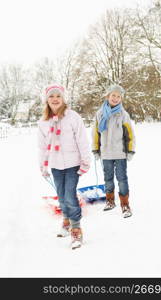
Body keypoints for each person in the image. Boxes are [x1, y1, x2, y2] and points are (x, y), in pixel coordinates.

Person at [38, 84, 91, 249]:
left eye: (58, 96)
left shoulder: (73, 117)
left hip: (73, 164)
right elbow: (42, 146)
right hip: (55, 165)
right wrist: (43, 166)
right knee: (61, 197)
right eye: (52, 96)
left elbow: (82, 140)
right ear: (47, 100)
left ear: (63, 99)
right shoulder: (43, 122)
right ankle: (66, 221)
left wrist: (85, 161)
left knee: (69, 195)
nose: (55, 99)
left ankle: (76, 229)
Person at [92, 84, 136, 217]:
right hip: (106, 153)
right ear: (108, 96)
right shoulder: (99, 114)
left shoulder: (123, 115)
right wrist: (95, 149)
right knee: (108, 178)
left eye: (118, 96)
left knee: (122, 178)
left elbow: (130, 134)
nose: (115, 98)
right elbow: (95, 133)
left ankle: (125, 204)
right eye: (113, 95)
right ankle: (110, 201)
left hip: (120, 152)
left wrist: (130, 150)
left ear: (121, 98)